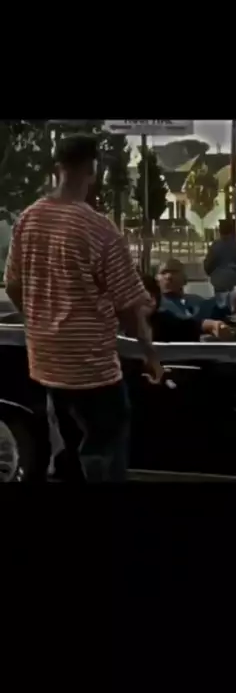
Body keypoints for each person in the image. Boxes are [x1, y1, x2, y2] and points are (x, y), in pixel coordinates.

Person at [4, 133, 162, 484]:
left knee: (65, 442)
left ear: (57, 167)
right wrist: (150, 354)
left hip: (47, 360)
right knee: (105, 442)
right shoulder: (99, 229)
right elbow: (128, 306)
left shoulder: (28, 219)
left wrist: (39, 321)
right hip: (91, 365)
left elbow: (13, 285)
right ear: (94, 169)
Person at [203, 219, 236, 305]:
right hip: (232, 276)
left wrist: (209, 273)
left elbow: (209, 263)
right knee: (231, 301)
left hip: (218, 277)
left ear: (220, 231)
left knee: (219, 301)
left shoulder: (215, 246)